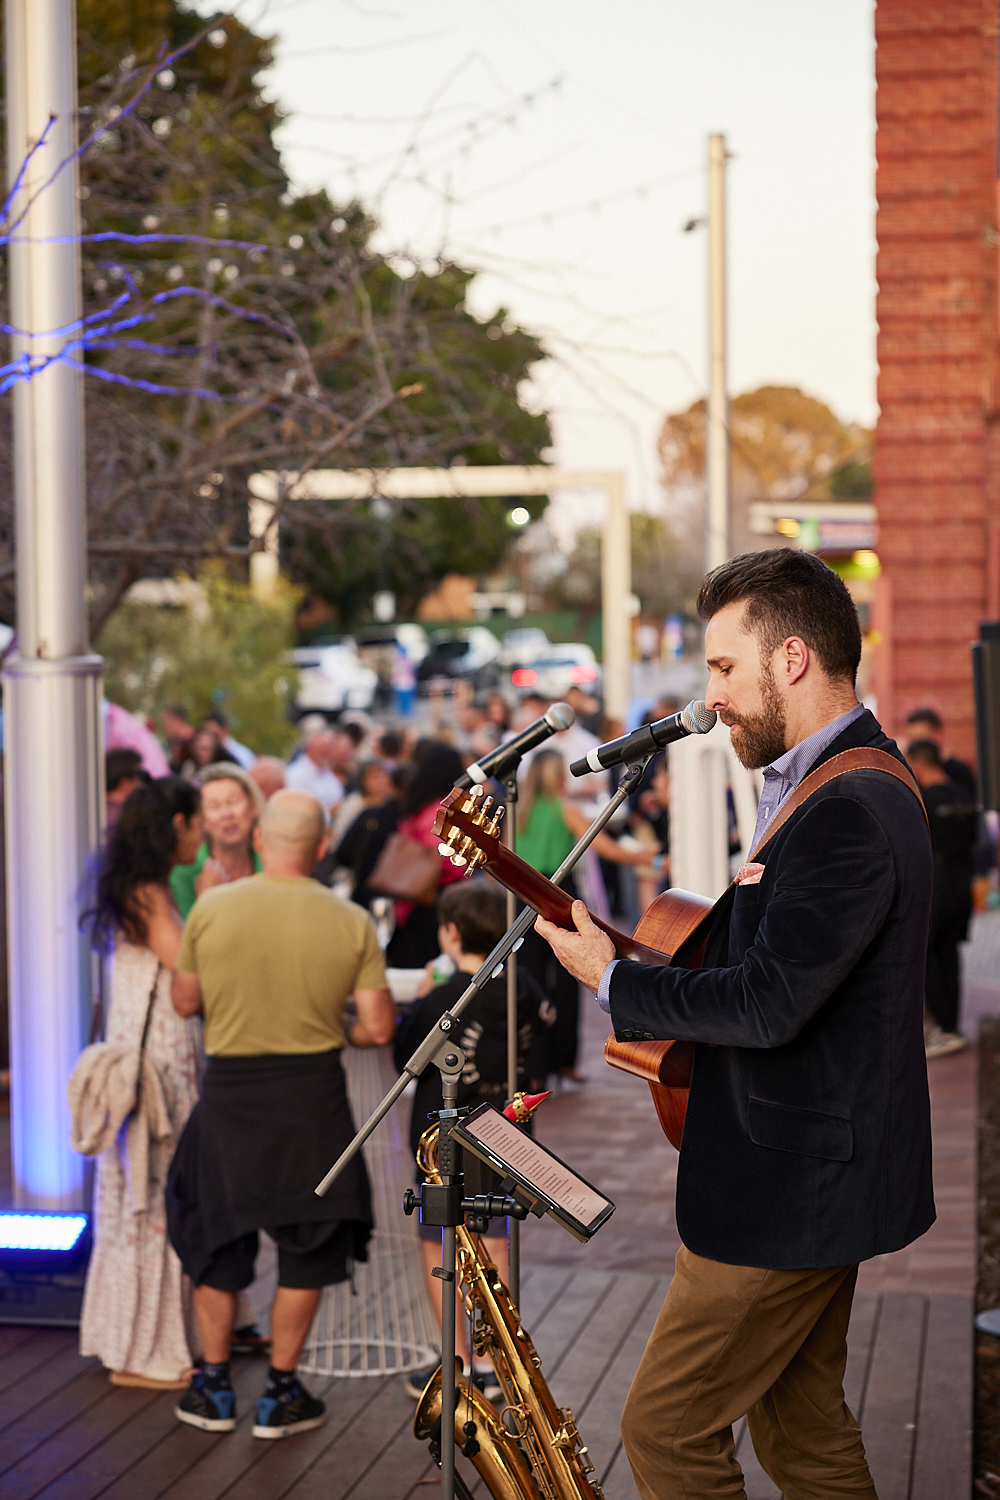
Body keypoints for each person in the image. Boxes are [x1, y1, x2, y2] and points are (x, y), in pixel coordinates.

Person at [534, 548, 935, 1500]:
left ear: (790, 658)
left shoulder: (851, 806)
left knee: (666, 1434)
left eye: (722, 667)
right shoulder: (833, 782)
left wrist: (613, 983)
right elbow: (776, 973)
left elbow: (766, 1002)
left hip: (787, 1191)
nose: (710, 698)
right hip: (810, 1175)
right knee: (803, 1430)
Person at [167, 789, 395, 1439]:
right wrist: (333, 1023)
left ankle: (212, 1388)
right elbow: (377, 1026)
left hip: (230, 1095)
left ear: (261, 839)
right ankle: (281, 1392)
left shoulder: (211, 908)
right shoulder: (349, 919)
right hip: (311, 1098)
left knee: (217, 1238)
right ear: (323, 847)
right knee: (310, 1240)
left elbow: (185, 1001)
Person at [392, 878, 552, 1400]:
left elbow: (405, 1058)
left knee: (438, 1236)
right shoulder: (525, 989)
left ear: (452, 934)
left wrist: (419, 1000)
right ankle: (494, 1362)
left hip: (443, 1137)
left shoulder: (442, 998)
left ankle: (456, 1363)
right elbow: (548, 1035)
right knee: (498, 1238)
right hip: (506, 1129)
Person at [77, 778, 206, 1389]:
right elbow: (187, 969)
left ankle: (128, 1339)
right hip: (156, 1063)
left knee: (141, 1194)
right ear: (176, 824)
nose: (202, 835)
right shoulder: (149, 894)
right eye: (197, 823)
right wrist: (210, 907)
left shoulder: (132, 886)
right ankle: (142, 1352)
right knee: (155, 1196)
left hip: (142, 1053)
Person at [517, 749, 647, 1086]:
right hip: (559, 896)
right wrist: (648, 856)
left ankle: (534, 1064)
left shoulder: (519, 813)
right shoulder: (565, 809)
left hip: (523, 897)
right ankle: (564, 1061)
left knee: (527, 982)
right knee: (566, 979)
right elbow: (606, 848)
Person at [907, 738, 977, 1057]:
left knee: (920, 954)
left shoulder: (924, 800)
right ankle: (953, 1027)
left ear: (920, 765)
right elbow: (977, 841)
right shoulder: (963, 795)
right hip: (963, 885)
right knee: (950, 955)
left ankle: (945, 1027)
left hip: (936, 886)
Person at [385, 741, 467, 969]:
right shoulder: (443, 810)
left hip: (409, 898)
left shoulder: (417, 804)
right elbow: (446, 859)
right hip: (434, 900)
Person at [169, 765, 264, 921]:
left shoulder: (273, 863)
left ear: (253, 807)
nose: (227, 814)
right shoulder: (184, 871)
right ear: (201, 820)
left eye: (234, 802)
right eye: (214, 807)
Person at [315, 760, 399, 908]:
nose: (380, 781)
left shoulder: (390, 807)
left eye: (382, 775)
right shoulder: (355, 803)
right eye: (374, 777)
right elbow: (341, 840)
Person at [905, 706, 976, 797]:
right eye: (912, 739)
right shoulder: (910, 771)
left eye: (922, 737)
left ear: (937, 734)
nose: (916, 744)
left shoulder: (959, 771)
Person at [285, 716, 344, 815]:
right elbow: (295, 810)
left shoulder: (329, 774)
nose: (327, 753)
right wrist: (328, 812)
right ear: (309, 747)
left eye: (330, 748)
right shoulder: (295, 774)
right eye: (323, 748)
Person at [105, 748, 148, 828]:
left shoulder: (95, 808)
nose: (142, 783)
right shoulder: (123, 818)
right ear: (125, 783)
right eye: (140, 775)